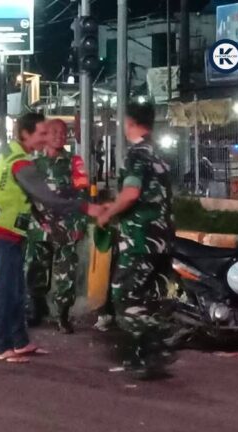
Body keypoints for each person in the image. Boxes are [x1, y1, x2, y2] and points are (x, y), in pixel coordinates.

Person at [0, 113, 102, 363]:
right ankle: (2, 346)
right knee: (8, 291)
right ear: (25, 134)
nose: (47, 138)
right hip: (5, 231)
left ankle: (20, 341)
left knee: (17, 289)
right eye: (42, 133)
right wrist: (84, 208)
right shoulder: (21, 162)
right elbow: (45, 197)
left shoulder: (16, 153)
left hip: (16, 230)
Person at [96, 103, 176, 380]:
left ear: (129, 122)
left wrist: (107, 214)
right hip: (163, 239)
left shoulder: (137, 154)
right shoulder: (160, 155)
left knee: (124, 298)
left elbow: (131, 193)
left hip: (140, 239)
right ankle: (144, 357)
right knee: (146, 298)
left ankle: (157, 341)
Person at [25, 119, 89, 333]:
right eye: (54, 131)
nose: (60, 136)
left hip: (66, 227)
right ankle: (37, 309)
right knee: (35, 270)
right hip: (39, 227)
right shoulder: (33, 163)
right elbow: (26, 197)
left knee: (66, 274)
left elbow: (83, 195)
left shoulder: (75, 162)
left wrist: (79, 223)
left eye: (63, 132)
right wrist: (35, 220)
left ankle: (62, 315)